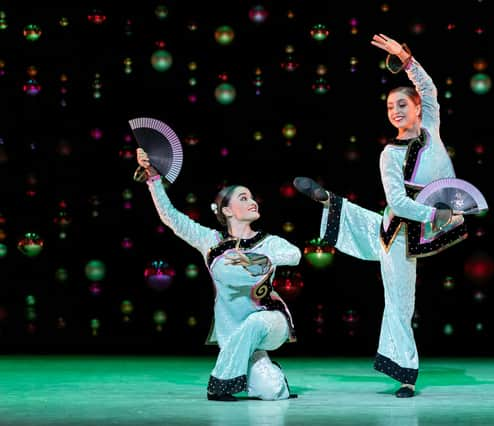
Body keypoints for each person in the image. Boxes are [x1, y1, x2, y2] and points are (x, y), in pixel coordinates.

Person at [293, 33, 467, 398]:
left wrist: (406, 59)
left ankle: (331, 202)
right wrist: (438, 214)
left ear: (419, 108)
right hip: (400, 231)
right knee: (400, 300)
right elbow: (400, 205)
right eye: (390, 107)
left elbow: (429, 87)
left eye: (403, 104)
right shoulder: (389, 154)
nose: (396, 111)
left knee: (376, 227)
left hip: (432, 221)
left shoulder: (432, 129)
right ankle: (405, 372)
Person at [136, 148, 301, 402]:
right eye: (243, 198)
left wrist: (257, 258)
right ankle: (263, 369)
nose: (252, 201)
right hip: (233, 335)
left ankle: (219, 385)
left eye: (252, 197)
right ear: (227, 210)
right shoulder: (211, 242)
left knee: (255, 323)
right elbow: (171, 217)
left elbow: (294, 255)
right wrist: (154, 179)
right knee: (272, 391)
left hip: (270, 321)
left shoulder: (268, 242)